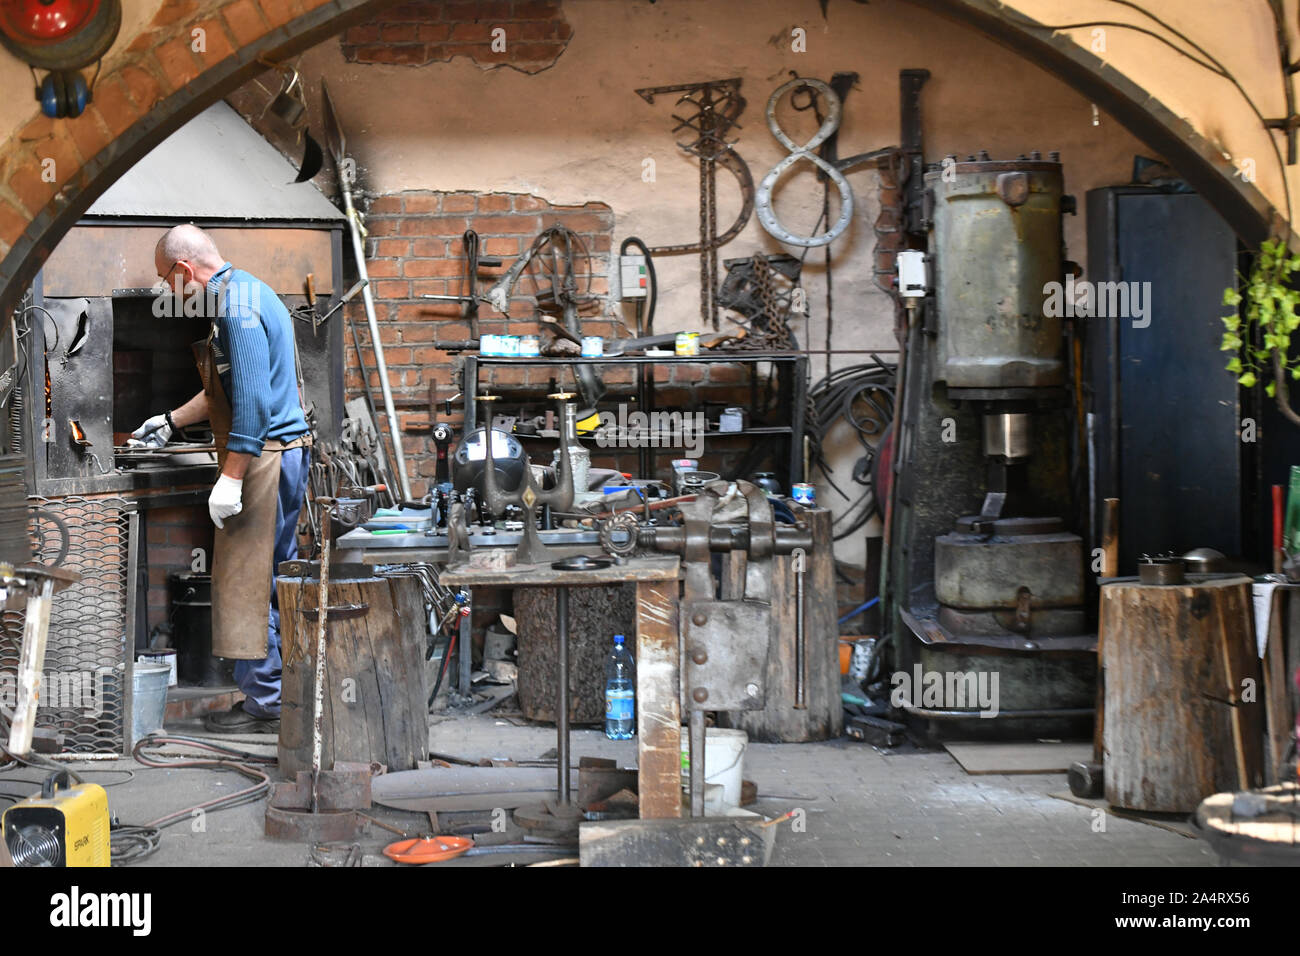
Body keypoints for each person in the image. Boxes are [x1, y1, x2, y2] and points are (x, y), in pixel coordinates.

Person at [132, 225, 310, 734]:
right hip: (280, 455)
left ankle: (268, 702)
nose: (170, 293)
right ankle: (280, 696)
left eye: (167, 282)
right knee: (272, 578)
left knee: (244, 583)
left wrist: (231, 478)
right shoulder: (249, 289)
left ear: (185, 271)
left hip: (265, 460)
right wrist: (169, 422)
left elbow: (252, 404)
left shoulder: (235, 306)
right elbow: (227, 391)